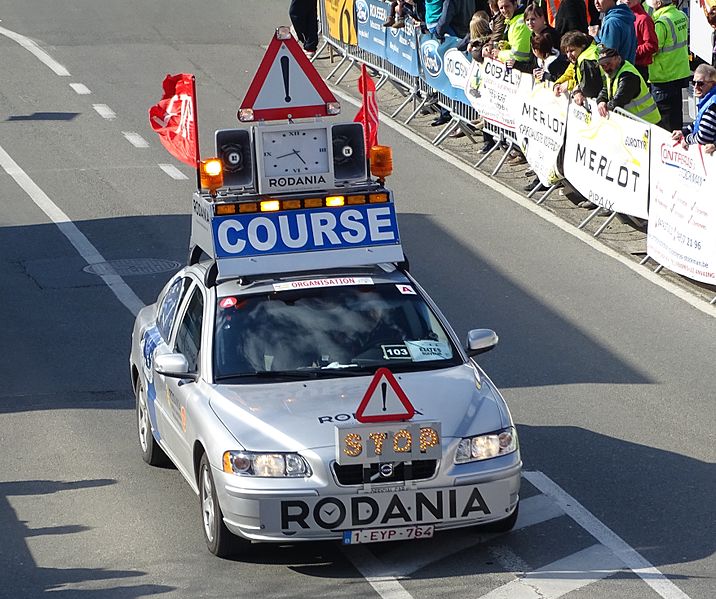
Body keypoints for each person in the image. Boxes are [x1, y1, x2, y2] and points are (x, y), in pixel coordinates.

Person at [584, 45, 661, 124]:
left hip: (648, 124)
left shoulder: (628, 76)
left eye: (609, 63)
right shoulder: (612, 72)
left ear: (618, 59)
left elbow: (618, 101)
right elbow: (606, 89)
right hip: (635, 124)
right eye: (603, 65)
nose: (606, 67)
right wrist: (601, 101)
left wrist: (605, 107)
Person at [647, 0, 690, 132]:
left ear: (659, 3)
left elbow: (653, 49)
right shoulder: (680, 15)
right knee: (676, 114)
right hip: (680, 72)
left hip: (664, 75)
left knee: (665, 121)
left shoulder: (661, 23)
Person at [671, 64, 716, 148]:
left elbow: (703, 138)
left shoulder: (712, 106)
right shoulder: (708, 99)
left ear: (712, 84)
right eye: (693, 82)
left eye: (700, 83)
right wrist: (683, 132)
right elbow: (699, 122)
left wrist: (686, 140)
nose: (695, 87)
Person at [553, 30, 604, 99]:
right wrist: (557, 84)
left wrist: (573, 87)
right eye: (567, 52)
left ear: (582, 46)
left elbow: (590, 88)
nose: (569, 55)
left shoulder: (586, 59)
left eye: (572, 51)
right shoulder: (578, 57)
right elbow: (568, 74)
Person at [594, 0, 637, 65]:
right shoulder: (624, 16)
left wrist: (594, 38)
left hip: (616, 72)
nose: (596, 2)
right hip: (628, 69)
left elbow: (607, 56)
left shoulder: (611, 22)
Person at [624, 0, 658, 81]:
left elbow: (652, 45)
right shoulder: (623, 16)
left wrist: (630, 52)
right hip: (624, 66)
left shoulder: (643, 19)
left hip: (638, 68)